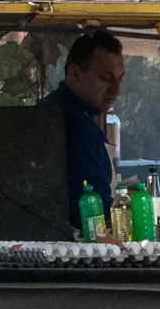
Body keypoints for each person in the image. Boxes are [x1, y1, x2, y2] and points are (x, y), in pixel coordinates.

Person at [38, 28, 123, 229]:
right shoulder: (74, 125)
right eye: (105, 77)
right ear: (75, 74)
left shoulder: (57, 111)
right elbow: (95, 208)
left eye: (120, 79)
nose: (116, 91)